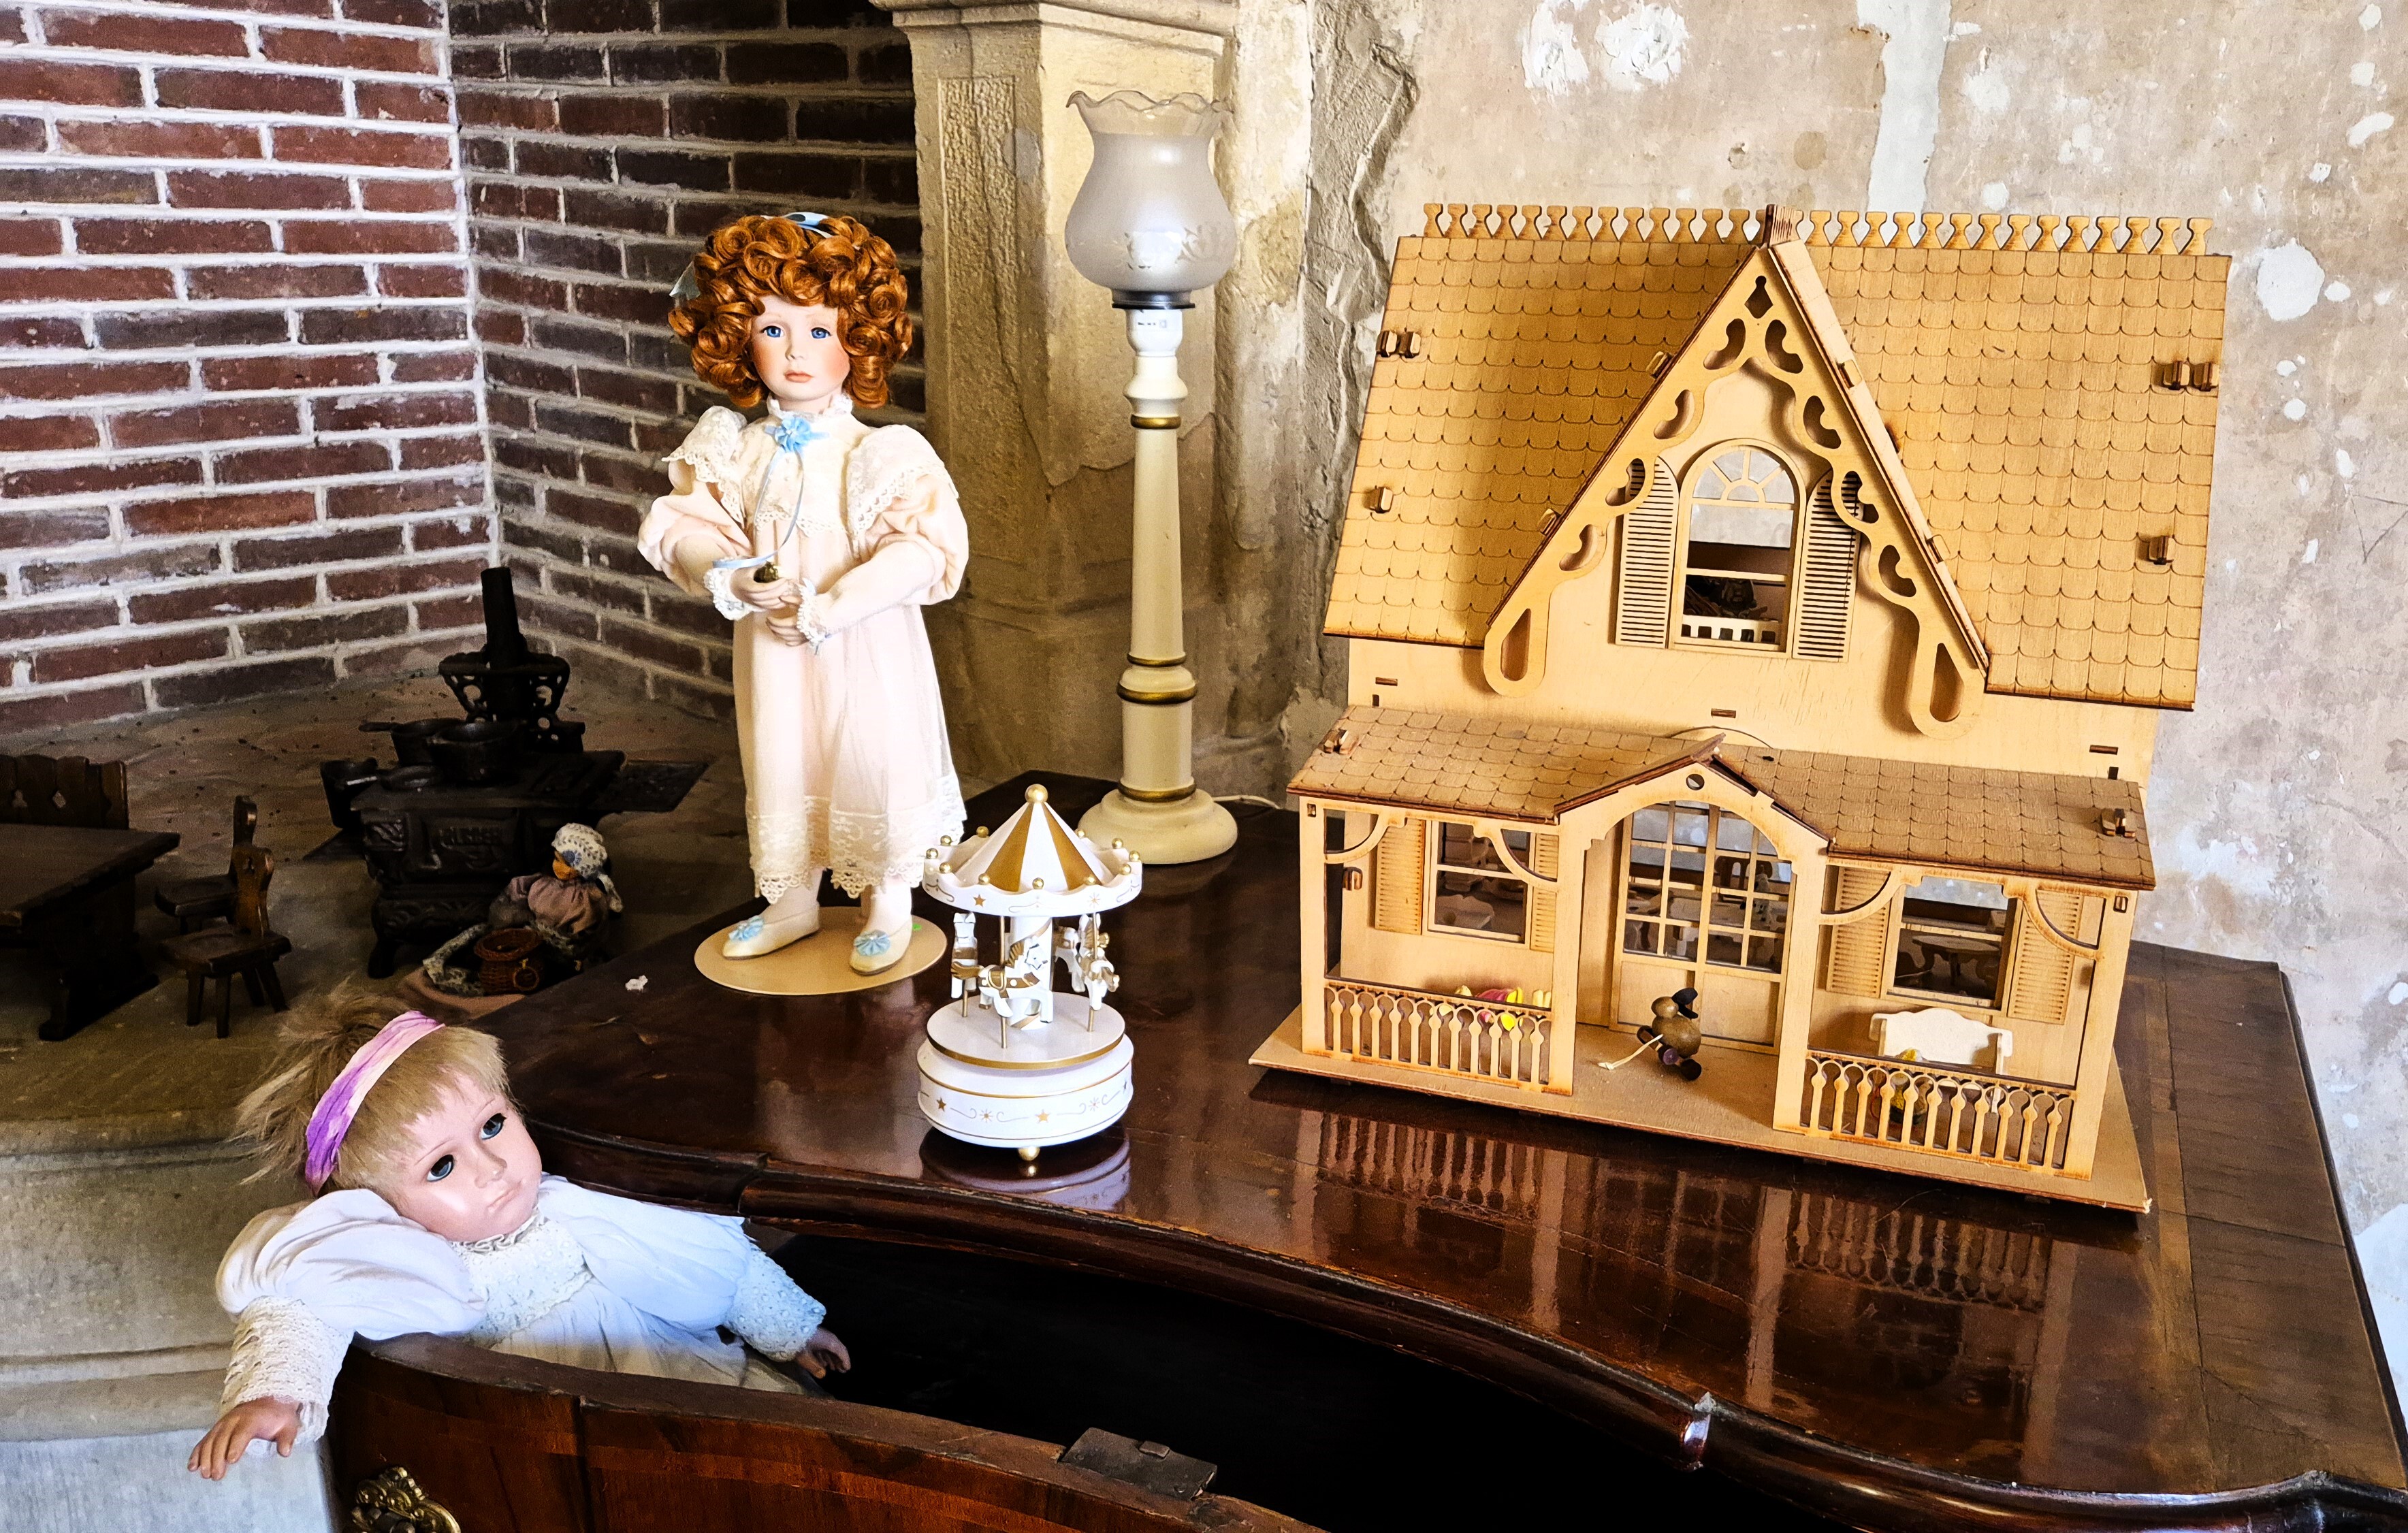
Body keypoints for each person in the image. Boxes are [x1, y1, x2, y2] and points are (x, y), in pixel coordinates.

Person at [188, 987, 846, 1480]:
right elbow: (302, 1308)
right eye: (441, 1166)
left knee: (758, 1461)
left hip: (676, 1377)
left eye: (493, 1125)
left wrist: (789, 1329)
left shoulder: (580, 1199)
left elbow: (700, 1259)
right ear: (370, 1202)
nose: (494, 1168)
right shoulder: (406, 1262)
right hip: (547, 1438)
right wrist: (271, 1395)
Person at [639, 211, 966, 974]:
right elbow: (686, 527)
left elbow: (923, 550)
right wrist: (732, 573)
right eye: (772, 329)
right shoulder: (736, 449)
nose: (795, 352)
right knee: (783, 756)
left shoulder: (880, 453)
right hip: (774, 649)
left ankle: (886, 897)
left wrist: (836, 606)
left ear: (859, 337)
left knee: (870, 752)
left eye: (819, 331)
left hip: (865, 643)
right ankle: (790, 898)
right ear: (738, 338)